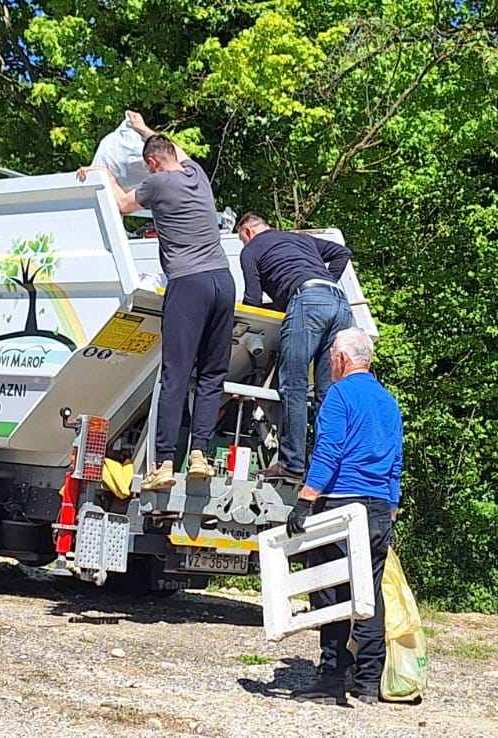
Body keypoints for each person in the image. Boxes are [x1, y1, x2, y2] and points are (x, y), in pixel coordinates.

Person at [78, 111, 232, 490]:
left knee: (176, 373)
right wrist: (145, 128)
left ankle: (163, 463)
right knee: (212, 374)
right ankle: (199, 454)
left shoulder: (158, 183)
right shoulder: (197, 175)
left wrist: (101, 172)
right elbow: (174, 148)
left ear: (150, 165)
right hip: (223, 283)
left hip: (189, 283)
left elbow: (122, 205)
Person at [282, 327, 403, 706]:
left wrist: (305, 499)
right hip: (379, 507)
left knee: (332, 591)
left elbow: (329, 451)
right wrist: (392, 507)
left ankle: (331, 679)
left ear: (341, 359)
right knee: (369, 593)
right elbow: (395, 462)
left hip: (340, 505)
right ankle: (368, 681)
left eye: (331, 355)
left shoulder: (338, 395)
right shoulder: (388, 401)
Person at [234, 213, 354, 482]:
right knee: (328, 394)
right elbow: (342, 253)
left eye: (241, 239)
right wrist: (329, 282)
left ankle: (292, 465)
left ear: (248, 233)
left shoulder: (252, 249)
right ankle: (328, 470)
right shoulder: (300, 239)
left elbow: (252, 298)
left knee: (294, 385)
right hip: (339, 303)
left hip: (307, 302)